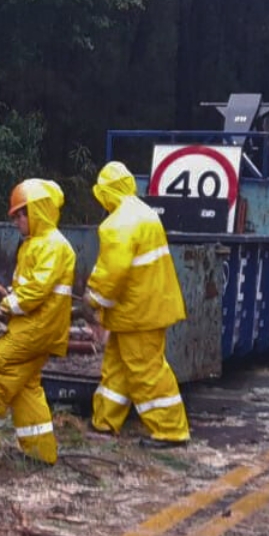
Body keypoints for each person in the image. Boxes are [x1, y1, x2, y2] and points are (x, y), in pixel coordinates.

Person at [0, 178, 74, 464]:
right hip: (37, 327)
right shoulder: (36, 244)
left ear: (39, 211)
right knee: (25, 386)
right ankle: (40, 452)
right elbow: (30, 288)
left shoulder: (51, 246)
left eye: (20, 214)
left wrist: (4, 308)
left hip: (37, 329)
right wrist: (10, 301)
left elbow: (35, 291)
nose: (16, 221)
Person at [81, 162, 191, 448]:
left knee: (147, 371)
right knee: (116, 368)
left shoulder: (116, 224)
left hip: (137, 313)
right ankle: (104, 423)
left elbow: (112, 273)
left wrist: (92, 300)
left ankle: (170, 431)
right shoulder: (145, 214)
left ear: (104, 193)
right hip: (144, 309)